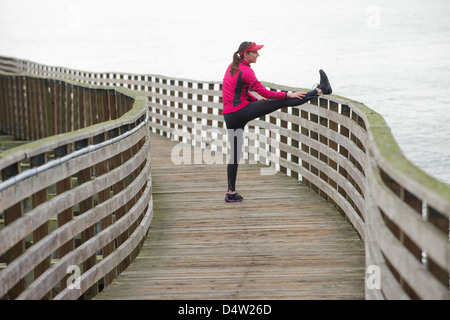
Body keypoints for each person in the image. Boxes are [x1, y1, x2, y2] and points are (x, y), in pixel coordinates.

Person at [222, 41, 332, 202]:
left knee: (235, 153)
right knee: (280, 101)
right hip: (239, 112)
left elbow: (238, 93)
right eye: (255, 52)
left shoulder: (232, 67)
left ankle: (230, 193)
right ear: (246, 54)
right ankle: (321, 90)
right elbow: (265, 93)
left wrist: (255, 102)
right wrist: (287, 95)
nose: (258, 54)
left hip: (230, 115)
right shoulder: (247, 71)